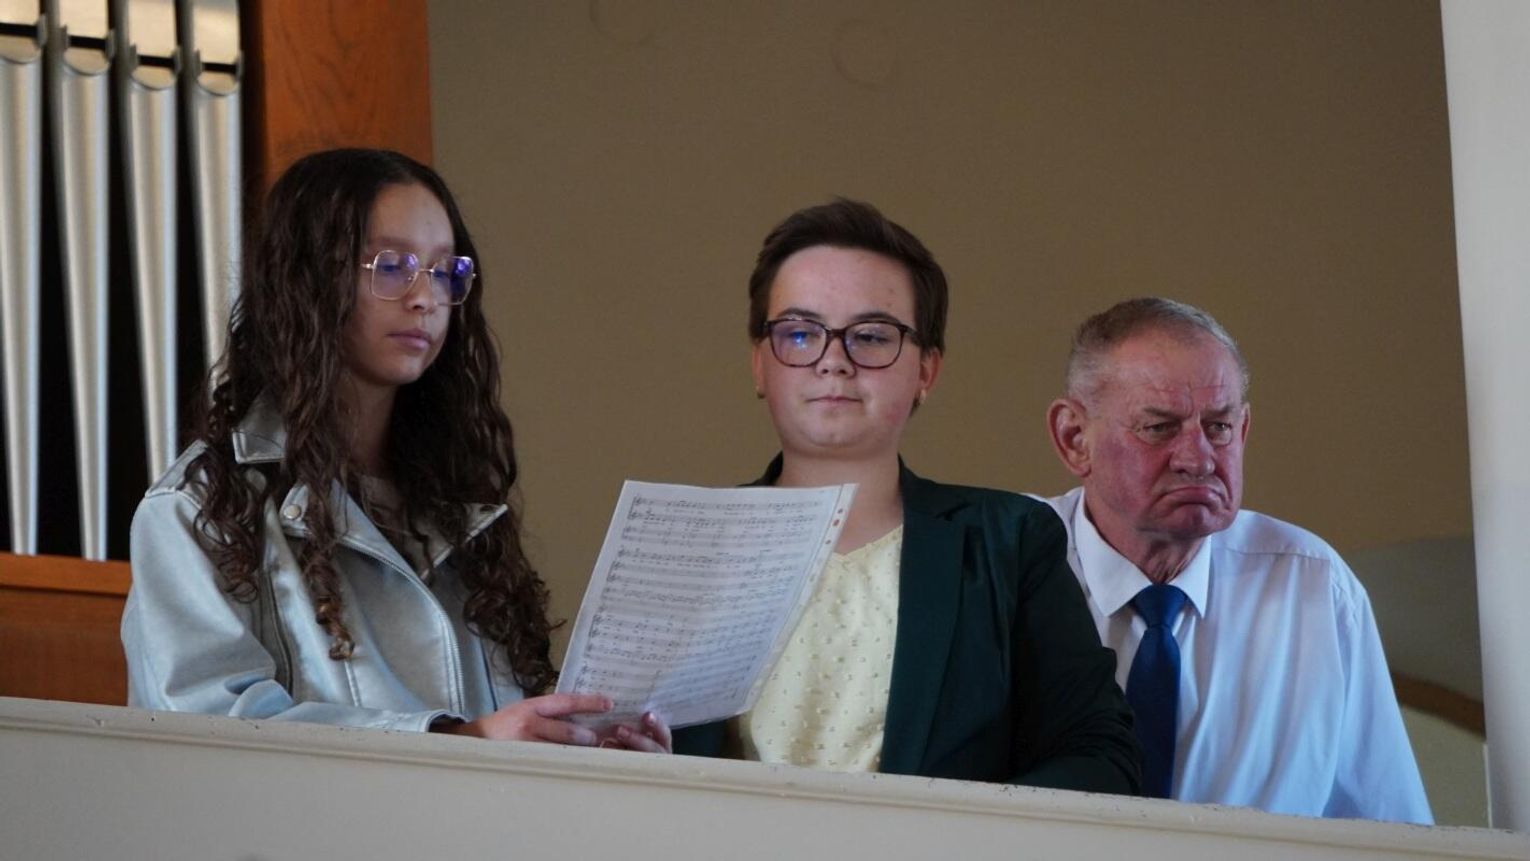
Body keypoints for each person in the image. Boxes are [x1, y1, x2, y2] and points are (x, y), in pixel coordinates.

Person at [123, 148, 666, 752]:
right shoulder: (196, 508)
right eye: (392, 266)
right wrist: (462, 740)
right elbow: (204, 738)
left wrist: (591, 753)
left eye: (444, 271)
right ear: (308, 279)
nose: (425, 297)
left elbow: (506, 752)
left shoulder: (458, 501)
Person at [673, 199, 1140, 792]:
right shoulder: (683, 546)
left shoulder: (1011, 541)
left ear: (926, 371)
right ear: (760, 364)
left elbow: (1100, 756)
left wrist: (956, 832)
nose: (833, 361)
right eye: (800, 333)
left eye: (871, 337)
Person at [1041, 297, 1430, 822]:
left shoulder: (1312, 585)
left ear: (1242, 430)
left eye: (1219, 427)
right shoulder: (1001, 566)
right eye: (1159, 428)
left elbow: (1390, 830)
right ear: (1074, 439)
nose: (1199, 458)